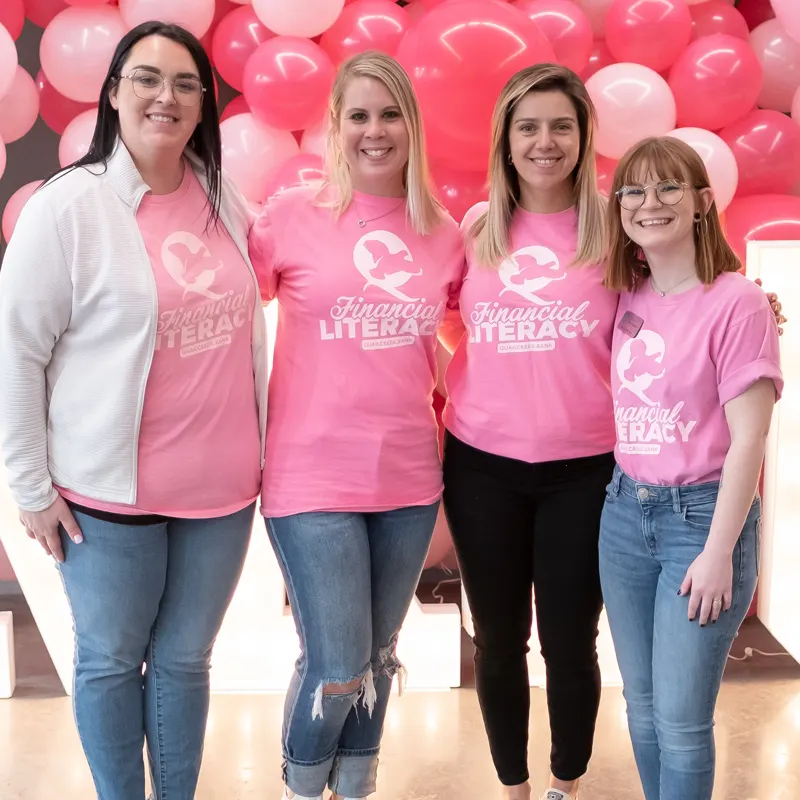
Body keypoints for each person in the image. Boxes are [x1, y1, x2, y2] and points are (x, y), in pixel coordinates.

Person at [437, 63, 785, 800]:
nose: (545, 141)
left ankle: (564, 786)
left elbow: (682, 297)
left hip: (589, 472)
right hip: (481, 464)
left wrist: (752, 306)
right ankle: (513, 788)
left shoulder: (615, 225)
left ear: (584, 135)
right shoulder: (477, 228)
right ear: (505, 139)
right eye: (528, 127)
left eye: (561, 126)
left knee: (570, 642)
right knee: (497, 640)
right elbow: (436, 314)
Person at [0, 22, 267, 800]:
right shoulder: (67, 207)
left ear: (204, 104)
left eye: (186, 83)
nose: (166, 97)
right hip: (107, 500)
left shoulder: (223, 197)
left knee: (185, 662)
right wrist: (30, 486)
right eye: (147, 78)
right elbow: (17, 353)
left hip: (221, 495)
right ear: (113, 92)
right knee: (112, 662)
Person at [248, 51, 464, 800]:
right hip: (309, 477)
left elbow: (485, 332)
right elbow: (216, 311)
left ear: (412, 125)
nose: (376, 130)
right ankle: (302, 789)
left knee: (378, 656)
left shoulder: (443, 233)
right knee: (338, 663)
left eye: (390, 114)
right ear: (336, 126)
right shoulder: (289, 218)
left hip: (407, 479)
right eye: (359, 115)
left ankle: (357, 787)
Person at [599, 136, 782, 800]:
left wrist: (717, 552)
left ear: (702, 202)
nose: (650, 202)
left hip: (699, 521)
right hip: (624, 515)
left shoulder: (737, 302)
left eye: (669, 187)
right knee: (642, 709)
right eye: (634, 190)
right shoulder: (628, 296)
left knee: (679, 723)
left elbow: (749, 440)